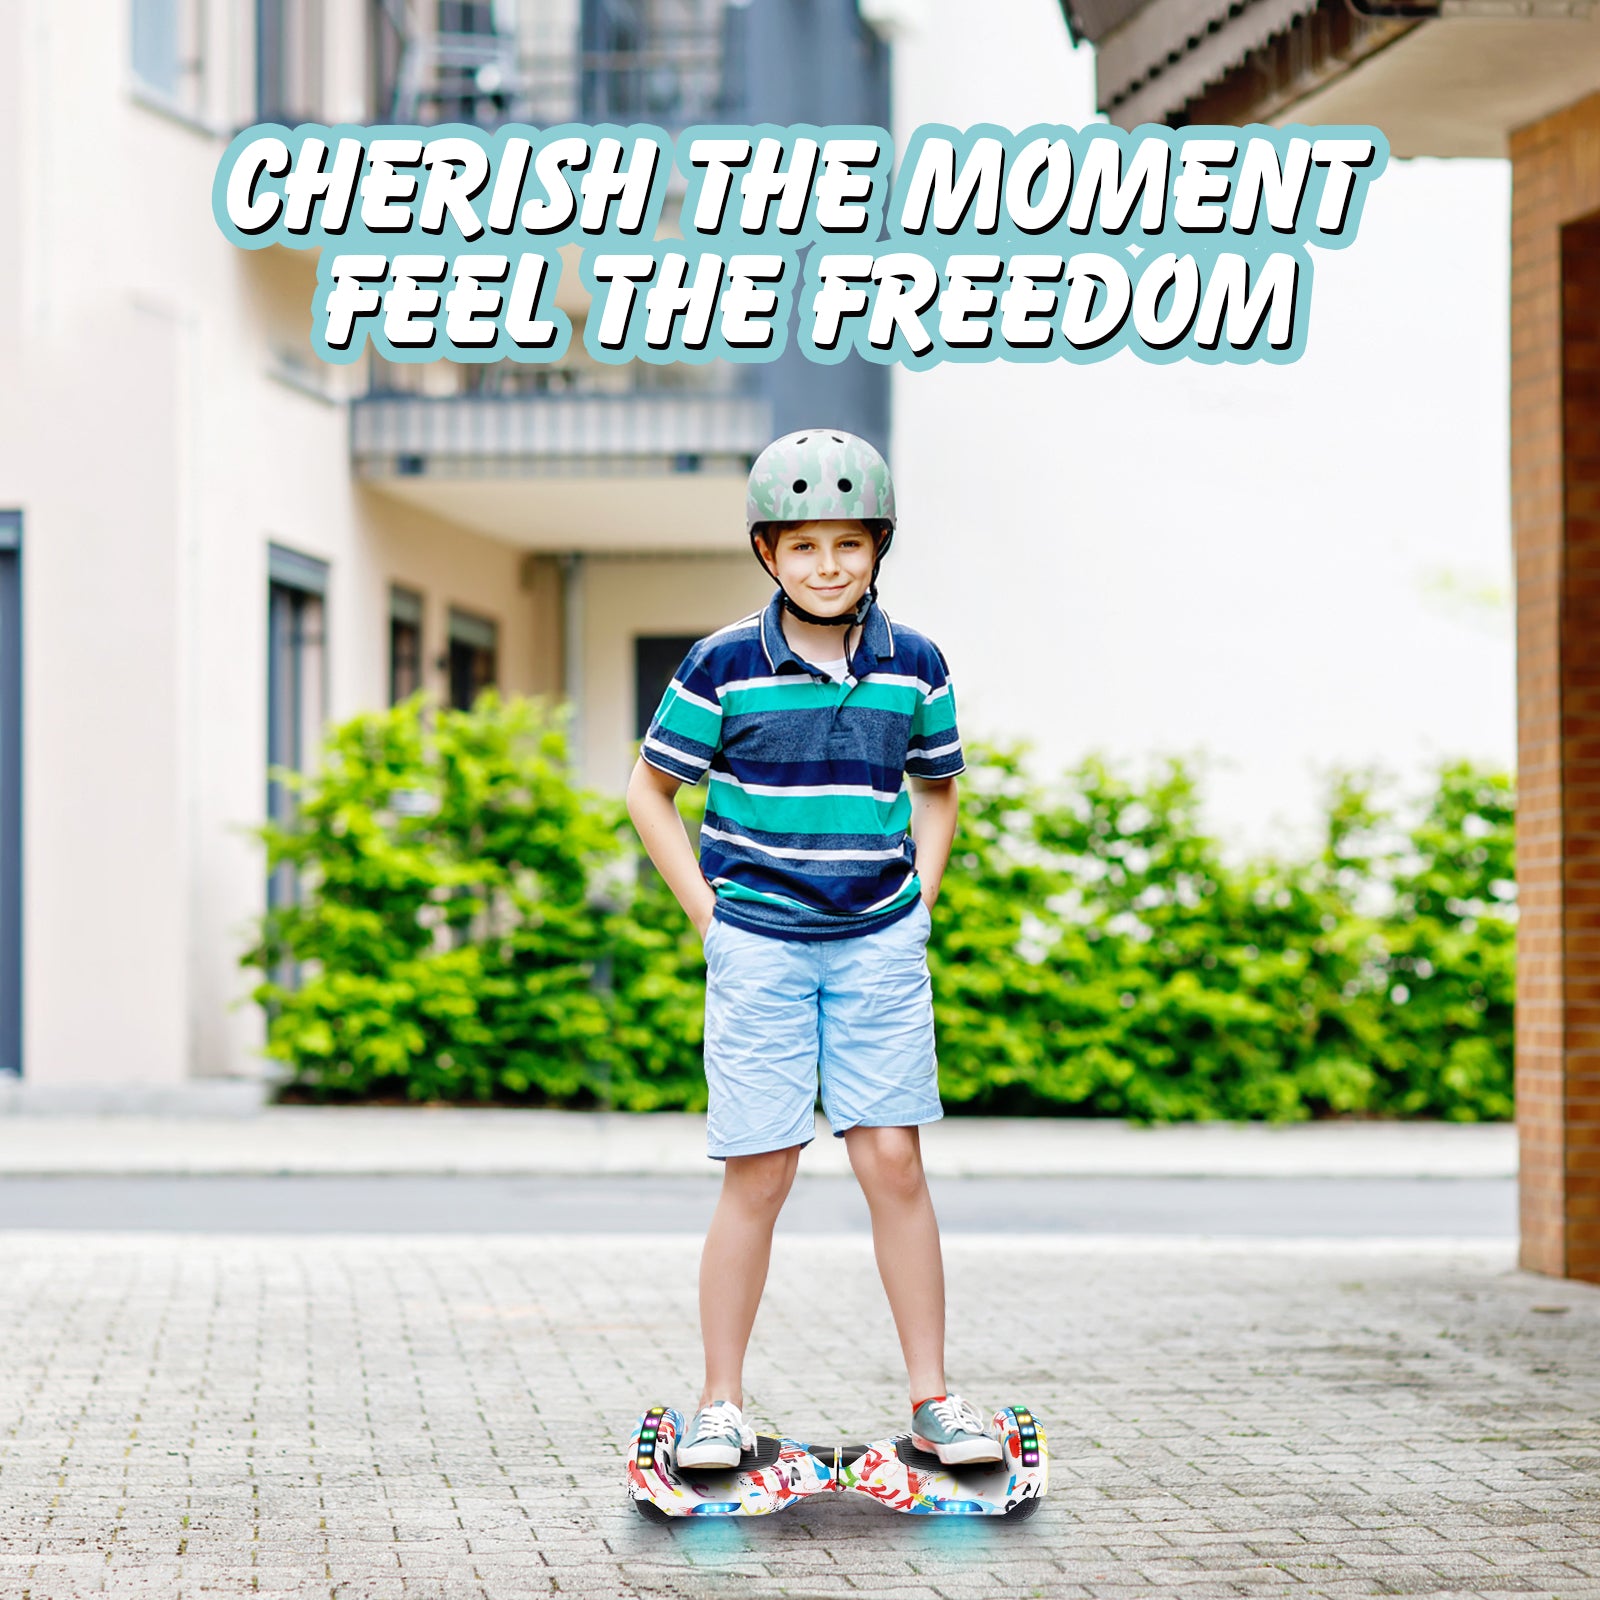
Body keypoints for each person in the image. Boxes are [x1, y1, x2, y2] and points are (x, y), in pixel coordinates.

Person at [625, 428, 1003, 1472]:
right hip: (761, 946)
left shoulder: (914, 664)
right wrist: (710, 916)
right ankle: (718, 1402)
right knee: (760, 1169)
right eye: (803, 546)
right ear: (766, 552)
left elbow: (937, 788)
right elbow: (648, 791)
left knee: (893, 1160)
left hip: (877, 942)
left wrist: (917, 900)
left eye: (847, 542)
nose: (826, 564)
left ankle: (932, 1397)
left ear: (878, 546)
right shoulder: (723, 665)